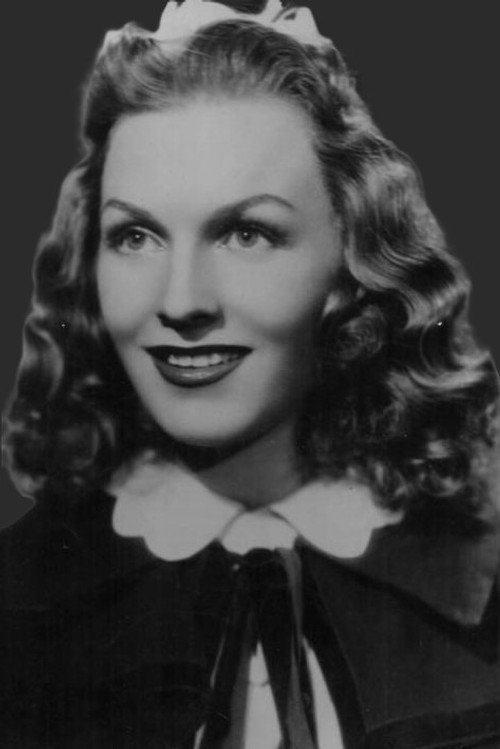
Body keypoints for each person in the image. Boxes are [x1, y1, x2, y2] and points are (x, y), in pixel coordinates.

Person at [1, 0, 499, 746]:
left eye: (246, 232)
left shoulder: (479, 584)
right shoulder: (17, 605)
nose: (181, 302)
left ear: (350, 261)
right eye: (135, 236)